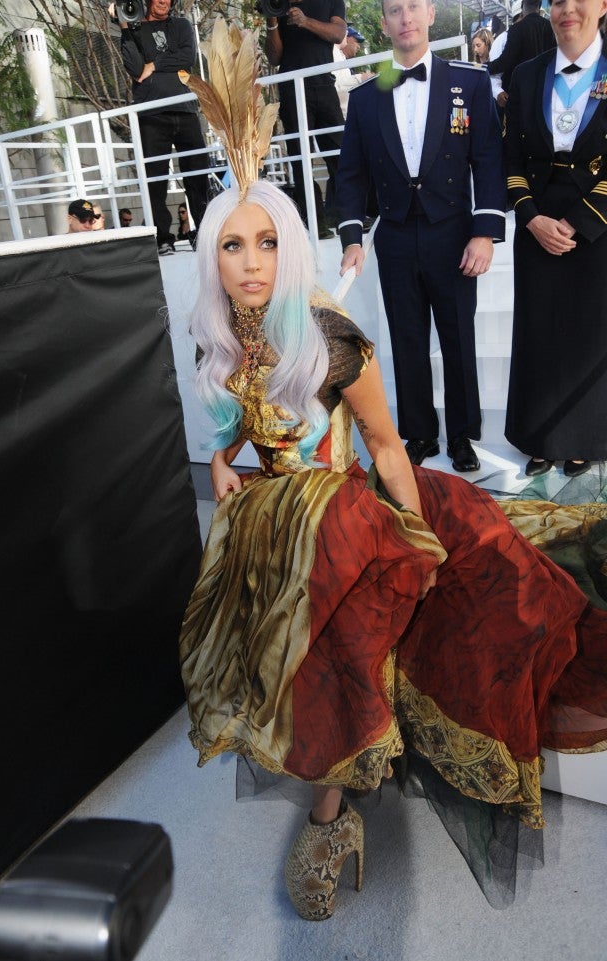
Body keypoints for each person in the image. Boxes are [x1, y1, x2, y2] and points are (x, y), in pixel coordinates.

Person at [179, 174, 607, 921]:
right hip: (279, 529)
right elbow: (246, 417)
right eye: (232, 245)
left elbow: (384, 444)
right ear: (211, 260)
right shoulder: (224, 338)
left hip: (355, 514)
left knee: (336, 659)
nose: (252, 263)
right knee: (284, 659)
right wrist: (222, 459)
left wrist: (415, 536)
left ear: (292, 250)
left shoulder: (330, 336)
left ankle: (330, 816)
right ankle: (342, 795)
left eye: (269, 242)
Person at [335, 0, 506, 472]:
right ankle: (420, 434)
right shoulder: (369, 96)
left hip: (452, 233)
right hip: (393, 234)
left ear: (430, 14)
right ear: (385, 23)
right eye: (394, 10)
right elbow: (350, 175)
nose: (405, 17)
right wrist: (353, 237)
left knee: (457, 338)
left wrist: (485, 231)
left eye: (413, 7)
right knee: (406, 340)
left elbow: (488, 160)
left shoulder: (468, 82)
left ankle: (463, 436)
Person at [504, 0, 607, 476]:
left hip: (597, 226)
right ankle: (539, 437)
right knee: (538, 333)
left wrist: (583, 221)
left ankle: (585, 436)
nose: (568, 9)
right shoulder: (526, 75)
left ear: (602, 4)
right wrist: (531, 217)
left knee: (588, 333)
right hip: (537, 223)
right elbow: (510, 158)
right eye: (557, 1)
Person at [115, 0, 209, 255]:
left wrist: (154, 64)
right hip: (151, 113)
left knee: (198, 174)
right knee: (155, 180)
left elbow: (187, 57)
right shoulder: (134, 29)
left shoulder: (180, 25)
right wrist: (124, 26)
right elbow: (135, 69)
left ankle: (205, 233)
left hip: (185, 108)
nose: (165, 1)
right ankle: (163, 238)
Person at [264, 0, 347, 238]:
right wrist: (272, 23)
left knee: (340, 155)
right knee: (301, 160)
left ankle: (347, 217)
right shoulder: (277, 5)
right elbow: (274, 57)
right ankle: (315, 223)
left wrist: (305, 21)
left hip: (324, 85)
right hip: (292, 90)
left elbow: (339, 33)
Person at [488, 0, 556, 100]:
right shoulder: (551, 28)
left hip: (521, 95)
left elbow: (505, 61)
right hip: (546, 92)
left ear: (522, 7)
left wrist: (484, 66)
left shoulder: (516, 29)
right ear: (539, 7)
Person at [489, 1, 523, 113]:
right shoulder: (503, 39)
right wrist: (498, 92)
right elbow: (494, 71)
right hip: (510, 104)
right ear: (522, 15)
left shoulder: (535, 36)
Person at [334, 25, 374, 117]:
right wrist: (360, 78)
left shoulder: (342, 58)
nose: (359, 46)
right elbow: (334, 86)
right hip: (338, 118)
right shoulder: (334, 52)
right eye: (357, 41)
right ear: (347, 38)